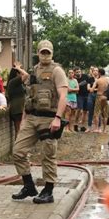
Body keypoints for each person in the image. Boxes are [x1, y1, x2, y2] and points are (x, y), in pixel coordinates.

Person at [11, 40, 68, 204]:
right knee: (18, 151)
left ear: (52, 53)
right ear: (38, 53)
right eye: (42, 52)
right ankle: (28, 185)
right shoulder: (33, 71)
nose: (45, 55)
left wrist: (58, 118)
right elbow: (29, 96)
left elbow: (63, 95)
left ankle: (48, 191)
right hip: (31, 117)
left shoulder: (57, 71)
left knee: (48, 155)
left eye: (47, 52)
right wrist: (23, 119)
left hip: (49, 119)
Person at [6, 61, 28, 139]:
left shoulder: (17, 83)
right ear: (17, 74)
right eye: (20, 72)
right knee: (19, 130)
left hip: (20, 109)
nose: (22, 74)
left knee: (20, 130)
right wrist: (18, 68)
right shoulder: (14, 81)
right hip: (17, 110)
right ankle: (18, 148)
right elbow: (26, 75)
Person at [91, 68, 109, 133]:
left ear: (99, 73)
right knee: (105, 114)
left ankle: (96, 129)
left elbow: (92, 90)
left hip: (99, 97)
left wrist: (95, 89)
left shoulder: (98, 80)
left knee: (96, 113)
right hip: (105, 97)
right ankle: (104, 129)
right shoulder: (108, 80)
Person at [73, 67, 89, 131]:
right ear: (74, 73)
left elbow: (90, 82)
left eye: (79, 72)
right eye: (77, 72)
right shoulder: (74, 79)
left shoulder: (85, 76)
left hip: (87, 95)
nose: (78, 73)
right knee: (79, 110)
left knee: (85, 111)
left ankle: (82, 126)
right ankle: (76, 124)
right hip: (79, 95)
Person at [85, 66, 99, 132]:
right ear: (92, 72)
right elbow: (88, 88)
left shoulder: (100, 79)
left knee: (98, 112)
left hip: (98, 95)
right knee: (90, 112)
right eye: (94, 70)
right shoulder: (90, 79)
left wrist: (93, 89)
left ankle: (98, 128)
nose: (95, 71)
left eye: (97, 70)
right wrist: (93, 89)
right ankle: (89, 127)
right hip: (90, 95)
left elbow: (101, 88)